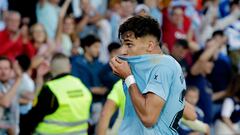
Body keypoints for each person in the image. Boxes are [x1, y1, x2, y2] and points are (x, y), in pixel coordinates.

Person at [110, 15, 187, 134]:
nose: (123, 51)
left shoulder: (162, 66)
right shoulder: (155, 65)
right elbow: (188, 111)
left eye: (129, 44)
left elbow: (148, 118)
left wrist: (128, 78)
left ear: (150, 46)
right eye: (122, 44)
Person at [20, 53, 92, 135]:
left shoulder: (51, 89)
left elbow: (32, 118)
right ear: (70, 67)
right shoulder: (82, 87)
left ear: (50, 69)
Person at [0, 56, 22, 135]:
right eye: (0, 68)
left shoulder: (11, 84)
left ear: (11, 70)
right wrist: (19, 78)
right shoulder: (15, 83)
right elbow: (5, 102)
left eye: (6, 68)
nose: (3, 72)